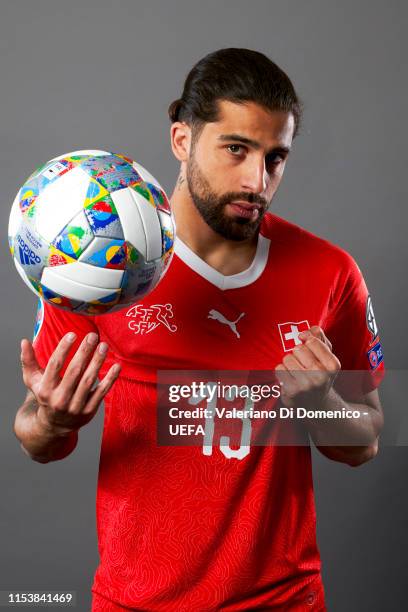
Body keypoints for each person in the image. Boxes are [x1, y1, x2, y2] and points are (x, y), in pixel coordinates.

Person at [14, 48, 385, 611]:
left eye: (275, 158)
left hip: (282, 601)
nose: (256, 180)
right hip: (134, 601)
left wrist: (322, 403)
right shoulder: (99, 270)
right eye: (236, 149)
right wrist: (51, 418)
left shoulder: (330, 271)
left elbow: (366, 441)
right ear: (182, 140)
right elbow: (36, 438)